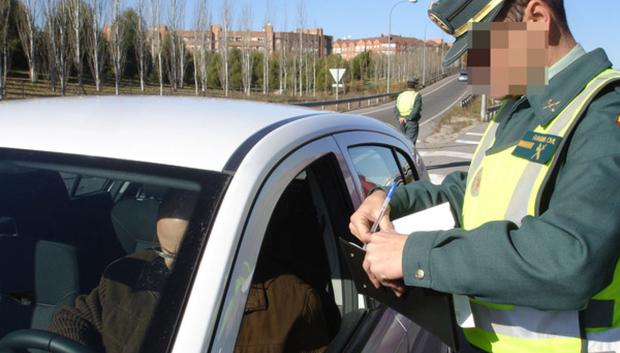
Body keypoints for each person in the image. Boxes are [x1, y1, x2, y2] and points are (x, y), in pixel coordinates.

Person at [349, 1, 620, 353]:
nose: (473, 69)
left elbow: (570, 257)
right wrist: (391, 201)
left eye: (482, 50)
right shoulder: (517, 110)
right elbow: (471, 194)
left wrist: (416, 256)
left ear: (537, 20)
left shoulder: (603, 112)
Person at [49, 189, 329, 353]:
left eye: (182, 256)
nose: (168, 265)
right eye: (164, 251)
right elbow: (71, 320)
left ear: (226, 241)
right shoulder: (127, 275)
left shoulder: (291, 304)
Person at [394, 79, 423, 145]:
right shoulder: (416, 95)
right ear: (415, 86)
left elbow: (396, 108)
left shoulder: (401, 95)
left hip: (401, 122)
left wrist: (399, 117)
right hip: (411, 122)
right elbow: (416, 110)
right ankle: (410, 155)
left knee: (403, 142)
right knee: (410, 144)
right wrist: (407, 118)